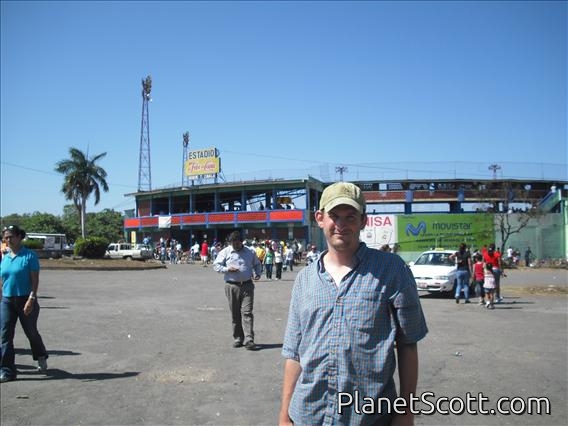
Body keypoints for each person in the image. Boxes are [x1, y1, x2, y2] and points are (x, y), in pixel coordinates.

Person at [279, 182, 428, 425]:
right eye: (334, 216)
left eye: (350, 217)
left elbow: (408, 345)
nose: (341, 225)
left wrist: (406, 411)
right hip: (308, 415)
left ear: (363, 221)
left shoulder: (392, 270)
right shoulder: (305, 279)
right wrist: (284, 414)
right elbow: (294, 354)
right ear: (320, 218)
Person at [1, 225, 49, 383]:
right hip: (7, 300)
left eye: (11, 236)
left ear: (19, 237)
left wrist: (31, 299)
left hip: (26, 299)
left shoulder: (29, 256)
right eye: (6, 237)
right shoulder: (5, 257)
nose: (8, 240)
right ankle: (7, 370)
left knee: (31, 332)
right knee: (5, 335)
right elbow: (3, 280)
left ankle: (40, 355)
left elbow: (35, 280)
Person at [213, 231, 262, 350]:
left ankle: (249, 339)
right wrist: (227, 269)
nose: (236, 246)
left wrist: (258, 273)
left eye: (238, 244)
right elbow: (216, 265)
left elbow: (257, 264)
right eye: (233, 244)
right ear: (230, 243)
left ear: (241, 242)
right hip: (231, 286)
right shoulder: (225, 252)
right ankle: (238, 338)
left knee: (247, 312)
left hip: (247, 286)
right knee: (235, 314)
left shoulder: (250, 251)